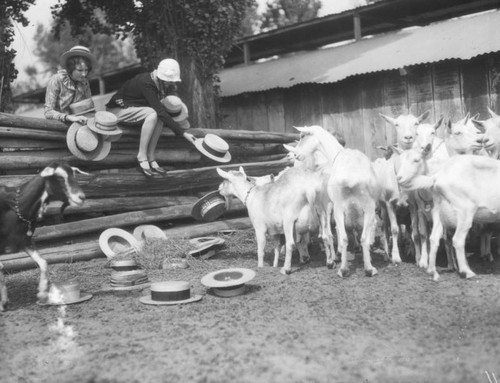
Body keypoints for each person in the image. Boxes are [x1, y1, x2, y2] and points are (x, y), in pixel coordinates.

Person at [106, 58, 195, 177]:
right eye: (169, 81)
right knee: (154, 114)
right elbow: (159, 111)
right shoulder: (146, 83)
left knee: (158, 117)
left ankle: (151, 156)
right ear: (161, 77)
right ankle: (142, 155)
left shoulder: (157, 83)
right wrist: (183, 133)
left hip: (134, 109)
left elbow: (161, 113)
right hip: (116, 111)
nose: (171, 83)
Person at [44, 45, 97, 124]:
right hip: (58, 125)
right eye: (80, 70)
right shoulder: (56, 80)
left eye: (86, 70)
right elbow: (48, 112)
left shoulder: (84, 82)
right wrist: (69, 117)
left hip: (79, 124)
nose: (84, 74)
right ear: (70, 67)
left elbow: (89, 108)